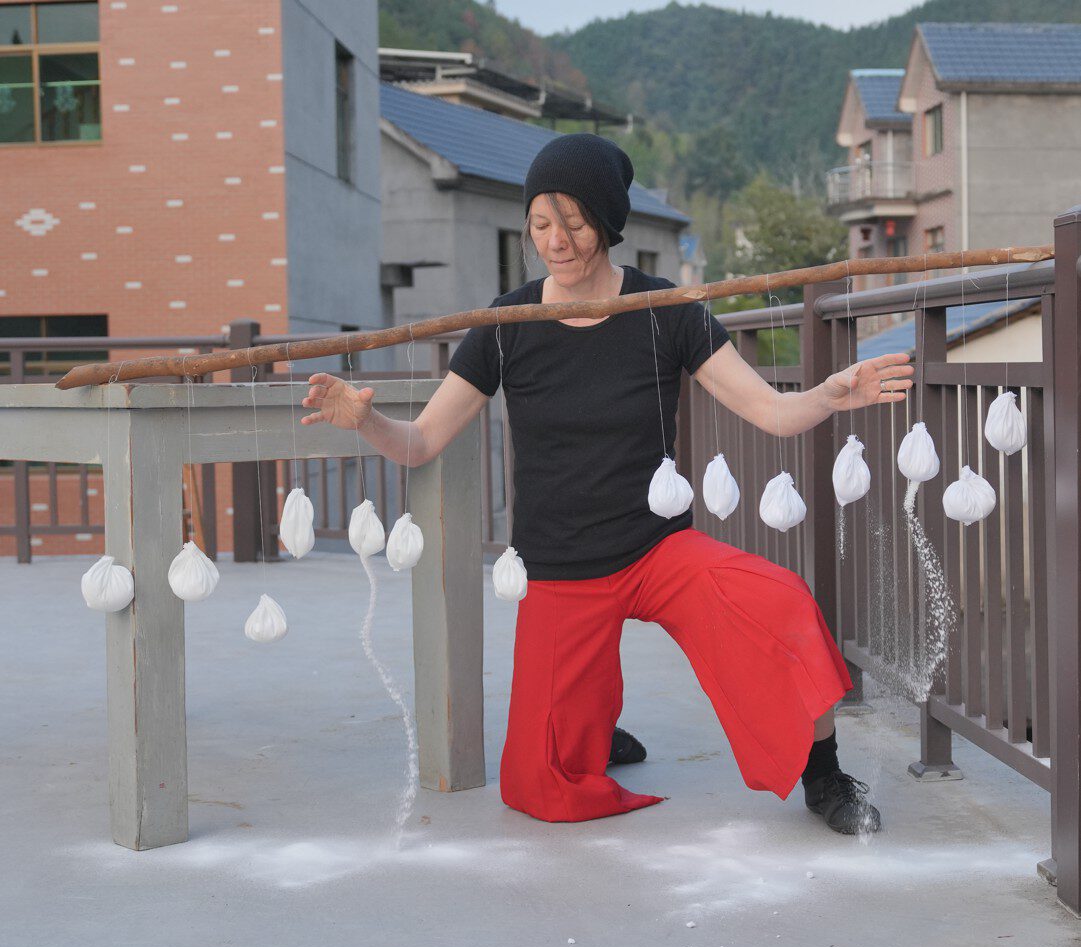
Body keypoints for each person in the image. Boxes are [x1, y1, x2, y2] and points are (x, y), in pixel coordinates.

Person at [301, 133, 913, 835]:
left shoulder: (666, 308)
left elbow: (769, 413)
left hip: (656, 550)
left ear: (607, 222)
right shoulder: (505, 325)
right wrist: (366, 420)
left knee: (778, 602)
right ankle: (596, 731)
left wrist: (830, 396)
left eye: (574, 221)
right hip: (560, 566)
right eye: (539, 224)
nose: (555, 241)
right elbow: (420, 444)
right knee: (540, 788)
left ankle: (823, 771)